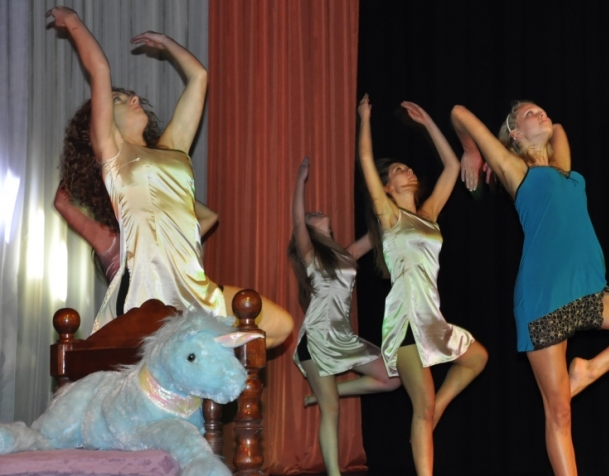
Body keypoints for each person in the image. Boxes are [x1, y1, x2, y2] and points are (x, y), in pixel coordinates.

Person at [450, 101, 609, 476]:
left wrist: (541, 125)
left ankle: (590, 368)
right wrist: (472, 152)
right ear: (514, 134)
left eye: (541, 110)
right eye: (530, 114)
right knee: (559, 412)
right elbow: (459, 113)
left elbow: (558, 128)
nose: (542, 114)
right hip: (543, 298)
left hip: (589, 290)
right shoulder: (514, 170)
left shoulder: (563, 168)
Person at [47, 5, 292, 341]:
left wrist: (167, 43)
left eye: (130, 95)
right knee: (163, 354)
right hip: (146, 287)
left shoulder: (172, 149)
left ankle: (203, 365)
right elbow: (99, 69)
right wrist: (74, 23)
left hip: (194, 284)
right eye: (118, 100)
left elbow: (199, 77)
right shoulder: (114, 154)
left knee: (280, 326)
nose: (132, 98)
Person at [358, 95, 488, 476]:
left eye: (408, 166)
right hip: (405, 319)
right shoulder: (389, 215)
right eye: (399, 170)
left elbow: (452, 165)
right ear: (387, 186)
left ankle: (437, 411)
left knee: (477, 358)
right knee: (422, 405)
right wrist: (364, 119)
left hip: (431, 317)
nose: (408, 170)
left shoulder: (429, 214)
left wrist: (428, 122)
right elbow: (365, 159)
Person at [54, 186, 293, 348]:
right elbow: (61, 204)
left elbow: (210, 217)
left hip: (193, 303)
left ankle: (210, 351)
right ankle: (204, 352)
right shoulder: (113, 240)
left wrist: (167, 185)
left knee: (282, 327)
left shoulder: (170, 236)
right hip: (153, 322)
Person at [288, 156, 400, 476]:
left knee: (392, 377)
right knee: (332, 411)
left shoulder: (346, 255)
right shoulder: (310, 253)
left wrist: (387, 197)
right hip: (317, 338)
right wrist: (300, 181)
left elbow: (377, 232)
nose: (315, 212)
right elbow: (297, 221)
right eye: (312, 214)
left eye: (316, 212)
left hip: (343, 336)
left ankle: (324, 395)